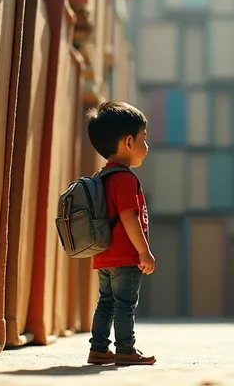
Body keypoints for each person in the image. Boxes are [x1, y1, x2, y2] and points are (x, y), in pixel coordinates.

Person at [84, 101, 156, 366]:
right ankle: (126, 349)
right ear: (128, 142)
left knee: (105, 303)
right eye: (143, 140)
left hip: (103, 255)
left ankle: (99, 348)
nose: (146, 148)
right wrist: (143, 251)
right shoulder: (125, 179)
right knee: (125, 304)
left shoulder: (102, 177)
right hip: (125, 257)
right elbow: (129, 216)